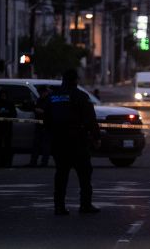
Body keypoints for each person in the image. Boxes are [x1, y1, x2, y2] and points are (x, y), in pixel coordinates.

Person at [43, 69, 101, 215]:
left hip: (59, 142)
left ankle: (59, 206)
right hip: (77, 141)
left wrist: (51, 137)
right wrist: (96, 137)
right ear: (76, 80)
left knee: (61, 174)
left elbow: (46, 120)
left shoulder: (53, 97)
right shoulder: (80, 96)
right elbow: (90, 119)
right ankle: (85, 205)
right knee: (84, 174)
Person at [0, 89, 17, 167]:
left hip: (7, 128)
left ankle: (7, 162)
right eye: (2, 95)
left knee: (7, 146)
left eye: (5, 95)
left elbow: (14, 114)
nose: (3, 96)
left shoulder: (10, 104)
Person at [26, 86, 51, 167]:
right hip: (40, 125)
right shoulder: (40, 100)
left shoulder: (48, 100)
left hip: (46, 125)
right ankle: (34, 161)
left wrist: (37, 109)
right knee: (36, 145)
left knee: (45, 146)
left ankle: (43, 162)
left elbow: (44, 111)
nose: (40, 94)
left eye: (41, 93)